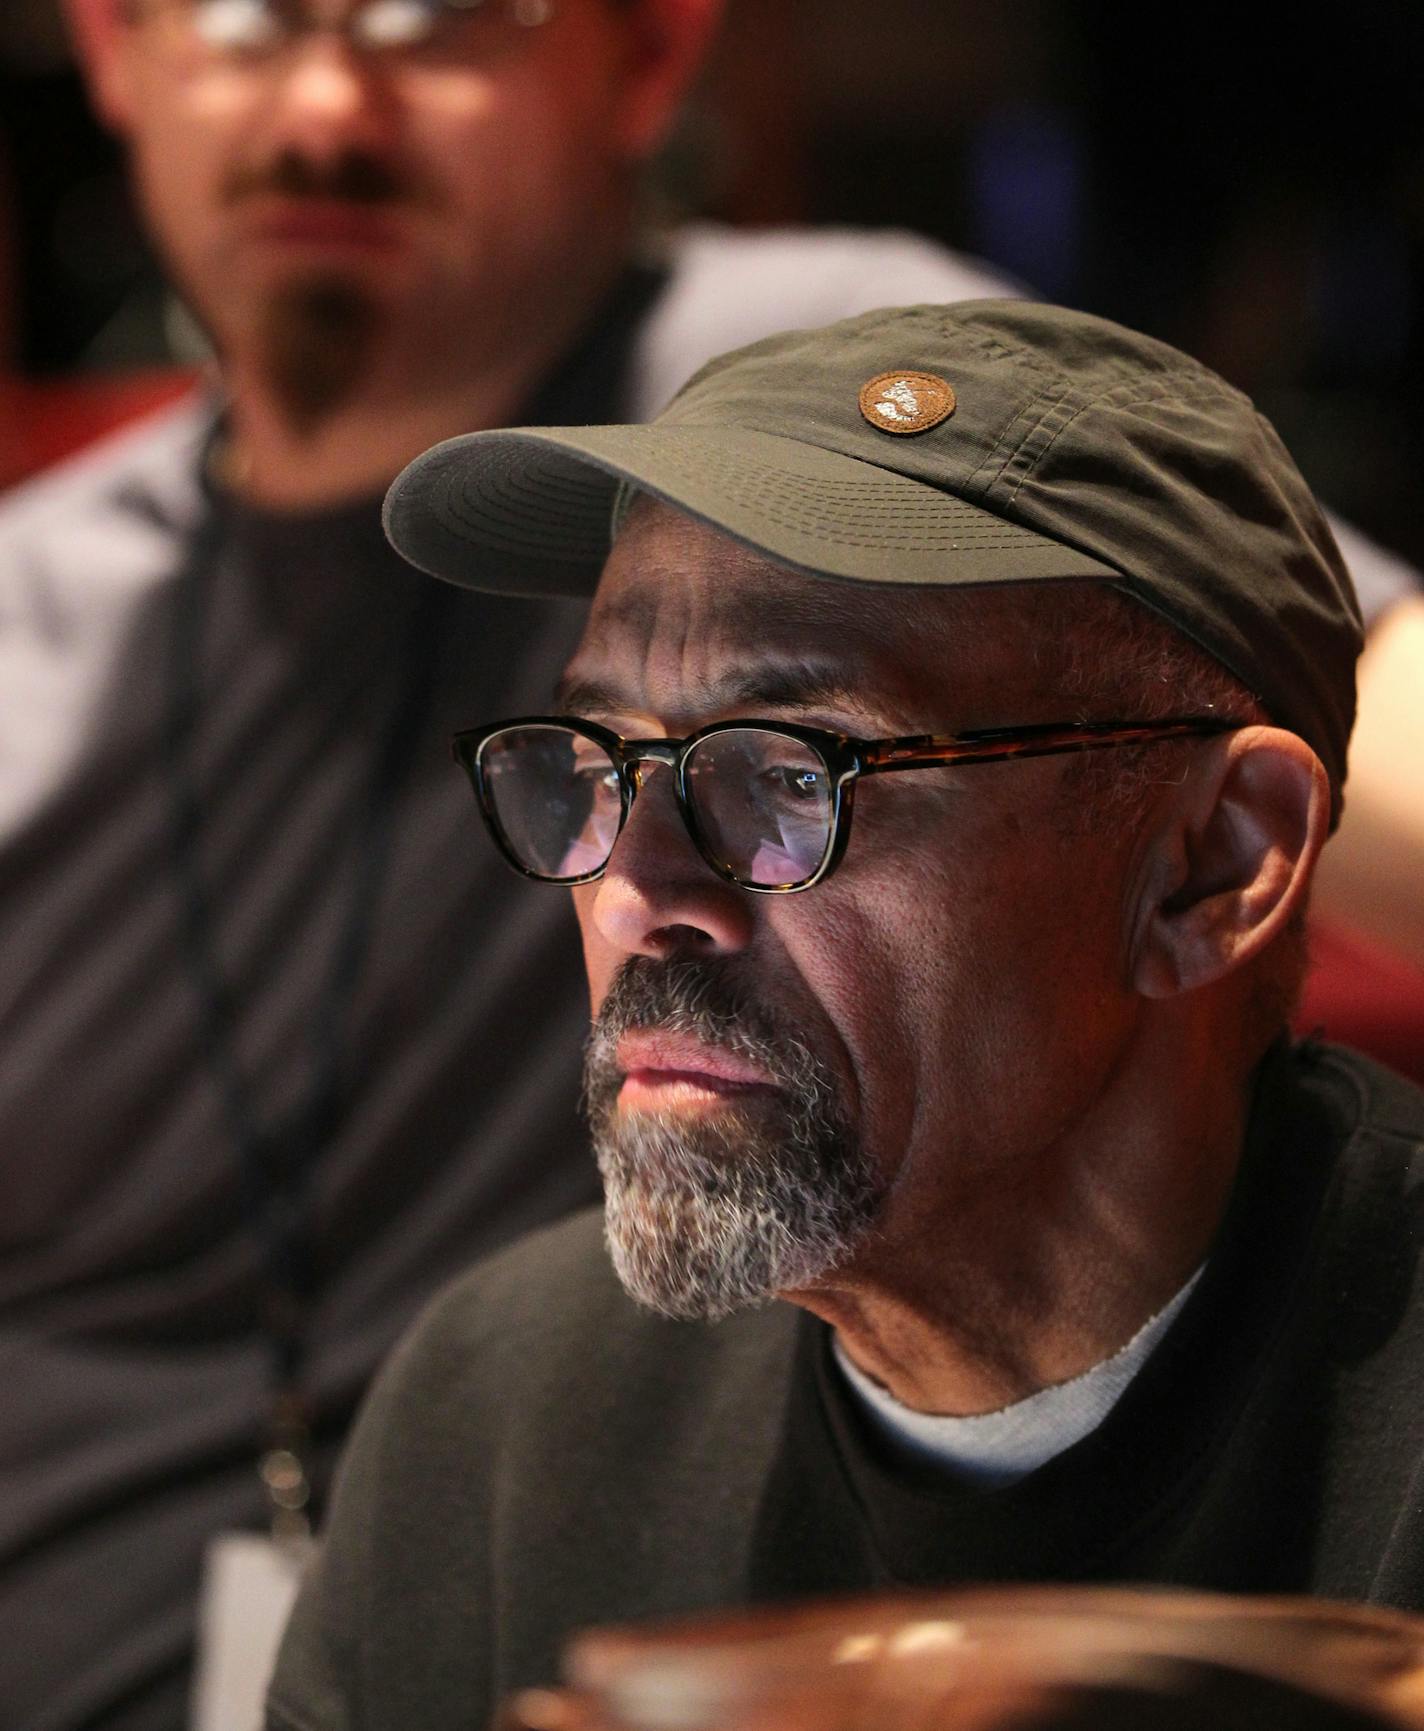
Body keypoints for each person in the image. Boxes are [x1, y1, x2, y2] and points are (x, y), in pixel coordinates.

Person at [0, 4, 1044, 1728]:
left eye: (444, 20)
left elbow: (1321, 719)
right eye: (249, 19)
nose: (330, 105)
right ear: (115, 49)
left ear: (647, 60)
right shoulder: (38, 617)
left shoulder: (810, 402)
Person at [268, 300, 1424, 1731]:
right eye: (597, 759)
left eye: (792, 774)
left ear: (1215, 862)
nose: (637, 884)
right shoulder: (499, 1414)